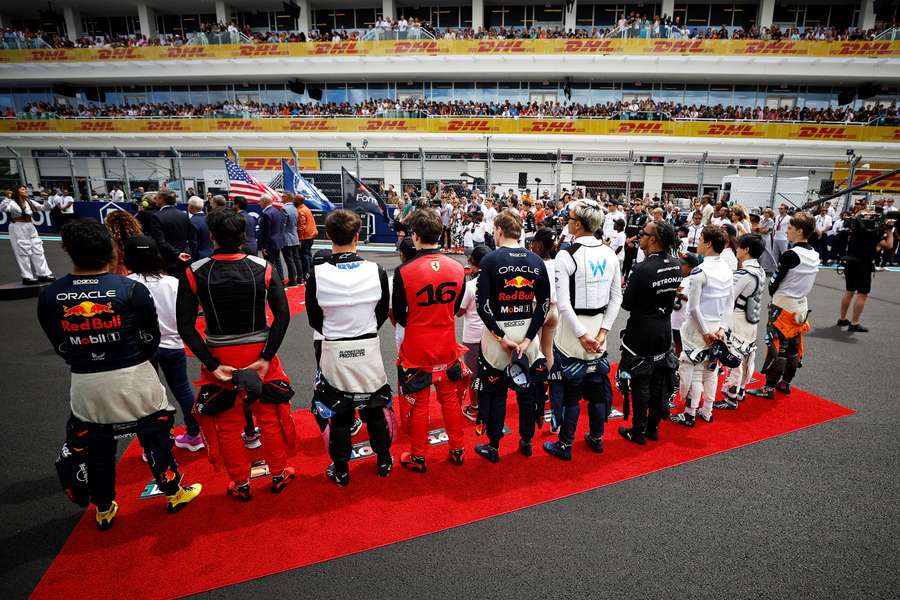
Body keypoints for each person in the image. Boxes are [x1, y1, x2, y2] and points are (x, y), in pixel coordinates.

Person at [37, 220, 200, 530]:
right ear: (111, 250)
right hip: (134, 373)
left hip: (86, 380)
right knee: (155, 435)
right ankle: (173, 491)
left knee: (97, 446)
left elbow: (59, 343)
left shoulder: (51, 294)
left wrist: (88, 355)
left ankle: (103, 506)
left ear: (68, 250)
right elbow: (150, 336)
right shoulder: (129, 289)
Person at [176, 209, 297, 500]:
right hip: (259, 354)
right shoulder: (263, 267)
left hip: (220, 355)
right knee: (269, 417)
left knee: (227, 424)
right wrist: (266, 357)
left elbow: (185, 325)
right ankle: (279, 473)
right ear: (243, 235)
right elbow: (282, 315)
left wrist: (213, 364)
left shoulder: (194, 271)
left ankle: (241, 483)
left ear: (212, 236)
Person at [305, 209, 393, 486]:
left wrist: (339, 333)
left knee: (339, 412)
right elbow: (381, 312)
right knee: (375, 407)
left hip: (334, 347)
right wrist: (362, 331)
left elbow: (314, 319)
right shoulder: (376, 271)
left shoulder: (317, 274)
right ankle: (383, 460)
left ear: (328, 235)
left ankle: (342, 469)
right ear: (358, 236)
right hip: (367, 345)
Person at [543, 200, 620, 460]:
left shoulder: (566, 255)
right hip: (598, 333)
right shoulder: (610, 253)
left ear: (578, 223)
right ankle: (597, 438)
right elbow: (616, 297)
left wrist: (582, 336)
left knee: (572, 393)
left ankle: (565, 444)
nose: (567, 221)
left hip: (573, 337)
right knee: (597, 388)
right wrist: (602, 334)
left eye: (570, 218)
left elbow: (563, 304)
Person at [393, 209, 468, 473]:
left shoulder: (404, 271)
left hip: (417, 348)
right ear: (440, 234)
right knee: (449, 399)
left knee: (419, 403)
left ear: (415, 235)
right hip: (447, 345)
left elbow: (400, 315)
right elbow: (457, 307)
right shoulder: (458, 268)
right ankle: (458, 449)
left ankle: (418, 455)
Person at [473, 210, 551, 462]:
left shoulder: (490, 260)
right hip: (527, 334)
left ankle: (493, 446)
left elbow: (482, 306)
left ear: (498, 230)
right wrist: (528, 339)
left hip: (498, 336)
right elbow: (545, 305)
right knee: (527, 391)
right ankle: (526, 441)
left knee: (494, 392)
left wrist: (499, 337)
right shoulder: (536, 261)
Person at [124, 236, 204, 451]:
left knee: (146, 396)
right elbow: (187, 316)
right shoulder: (173, 283)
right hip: (173, 344)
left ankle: (153, 446)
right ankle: (195, 434)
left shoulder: (126, 284)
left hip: (141, 350)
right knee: (182, 389)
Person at [617, 220, 681, 444]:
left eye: (643, 234)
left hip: (641, 333)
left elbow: (626, 304)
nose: (638, 237)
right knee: (658, 380)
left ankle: (638, 431)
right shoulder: (675, 263)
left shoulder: (642, 268)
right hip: (664, 330)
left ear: (653, 239)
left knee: (641, 382)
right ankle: (652, 428)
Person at [747, 212, 819, 399]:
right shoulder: (814, 253)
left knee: (776, 346)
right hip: (801, 305)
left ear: (800, 231)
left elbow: (775, 281)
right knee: (794, 346)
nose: (786, 231)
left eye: (790, 228)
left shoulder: (791, 254)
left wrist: (772, 292)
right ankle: (785, 383)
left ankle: (768, 388)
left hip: (783, 305)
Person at [670, 226, 734, 427]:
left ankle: (689, 413)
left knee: (694, 371)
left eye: (700, 240)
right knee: (711, 369)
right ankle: (707, 410)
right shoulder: (726, 268)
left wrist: (706, 332)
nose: (697, 243)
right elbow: (729, 302)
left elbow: (693, 308)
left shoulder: (700, 271)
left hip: (699, 328)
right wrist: (722, 328)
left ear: (708, 244)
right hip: (716, 325)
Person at [714, 234, 766, 409]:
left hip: (737, 318)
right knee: (748, 356)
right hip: (752, 319)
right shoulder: (760, 270)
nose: (737, 249)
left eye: (739, 246)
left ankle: (731, 396)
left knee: (734, 358)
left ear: (746, 250)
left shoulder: (744, 273)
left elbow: (729, 298)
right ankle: (741, 390)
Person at [836, 209, 895, 332]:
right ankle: (855, 323)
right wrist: (889, 231)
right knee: (862, 294)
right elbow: (889, 245)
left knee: (849, 291)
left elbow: (875, 248)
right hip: (864, 265)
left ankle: (842, 319)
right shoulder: (873, 234)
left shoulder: (854, 232)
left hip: (850, 263)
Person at [457, 245, 491, 423]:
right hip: (492, 335)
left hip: (472, 336)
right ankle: (488, 404)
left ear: (474, 264)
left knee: (474, 375)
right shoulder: (495, 281)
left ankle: (476, 406)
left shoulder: (470, 286)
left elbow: (460, 312)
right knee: (490, 371)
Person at [1, 185, 54, 284]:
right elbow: (3, 209)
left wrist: (46, 199)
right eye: (22, 189)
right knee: (22, 251)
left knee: (38, 249)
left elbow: (45, 208)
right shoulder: (11, 203)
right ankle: (27, 277)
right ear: (16, 192)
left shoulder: (29, 201)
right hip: (17, 227)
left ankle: (43, 274)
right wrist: (7, 198)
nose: (25, 190)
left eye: (25, 189)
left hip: (30, 226)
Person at [154, 189, 196, 276]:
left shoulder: (157, 216)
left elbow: (160, 242)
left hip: (167, 260)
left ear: (162, 199)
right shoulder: (184, 215)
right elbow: (192, 238)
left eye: (157, 198)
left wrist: (177, 254)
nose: (155, 199)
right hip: (185, 258)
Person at [257, 195, 287, 281]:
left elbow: (266, 232)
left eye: (260, 201)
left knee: (269, 264)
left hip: (270, 243)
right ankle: (281, 280)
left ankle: (273, 282)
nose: (259, 203)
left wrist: (264, 247)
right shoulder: (276, 211)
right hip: (277, 242)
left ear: (265, 202)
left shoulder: (267, 214)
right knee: (278, 262)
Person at [104, 209, 143, 275]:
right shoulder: (139, 240)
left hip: (117, 274)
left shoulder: (112, 243)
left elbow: (112, 265)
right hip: (137, 273)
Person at [622, 201, 647, 281]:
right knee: (626, 262)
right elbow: (626, 230)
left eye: (638, 204)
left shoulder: (644, 217)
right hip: (628, 242)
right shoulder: (630, 216)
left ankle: (634, 279)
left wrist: (632, 241)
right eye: (634, 205)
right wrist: (627, 240)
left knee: (635, 262)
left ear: (641, 206)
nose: (636, 206)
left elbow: (641, 231)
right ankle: (625, 279)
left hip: (636, 243)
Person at [281, 192, 302, 287]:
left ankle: (292, 281)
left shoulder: (284, 209)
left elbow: (282, 225)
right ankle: (299, 279)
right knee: (296, 259)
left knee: (289, 260)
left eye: (283, 196)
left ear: (287, 198)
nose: (281, 198)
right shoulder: (295, 209)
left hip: (287, 238)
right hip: (294, 237)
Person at [296, 194, 318, 281]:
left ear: (297, 201)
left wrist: (300, 239)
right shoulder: (306, 208)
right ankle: (310, 273)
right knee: (308, 255)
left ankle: (306, 275)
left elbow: (302, 226)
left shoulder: (300, 211)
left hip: (305, 237)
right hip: (311, 235)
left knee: (304, 256)